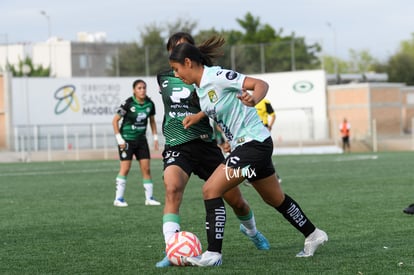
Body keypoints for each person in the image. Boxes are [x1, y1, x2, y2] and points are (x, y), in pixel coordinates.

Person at [168, 37, 328, 267]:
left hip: (252, 145)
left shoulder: (217, 76)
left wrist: (254, 98)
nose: (175, 74)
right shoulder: (200, 88)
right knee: (275, 199)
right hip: (250, 147)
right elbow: (217, 103)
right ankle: (314, 234)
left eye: (176, 69)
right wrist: (198, 116)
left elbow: (260, 84)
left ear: (188, 62)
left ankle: (213, 254)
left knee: (211, 189)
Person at [155, 32, 269, 268]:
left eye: (185, 48)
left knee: (236, 200)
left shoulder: (207, 74)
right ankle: (172, 249)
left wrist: (223, 137)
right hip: (177, 144)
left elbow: (218, 107)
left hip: (206, 144)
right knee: (172, 188)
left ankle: (253, 232)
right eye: (175, 49)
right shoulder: (164, 77)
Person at [112, 79, 161, 207]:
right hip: (126, 140)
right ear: (134, 90)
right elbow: (115, 121)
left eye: (144, 87)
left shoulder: (150, 104)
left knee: (146, 169)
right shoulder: (128, 104)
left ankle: (149, 198)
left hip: (141, 140)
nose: (142, 90)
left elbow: (152, 121)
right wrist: (119, 139)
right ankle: (118, 199)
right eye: (139, 88)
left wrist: (155, 138)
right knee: (125, 168)